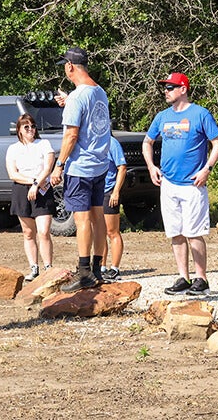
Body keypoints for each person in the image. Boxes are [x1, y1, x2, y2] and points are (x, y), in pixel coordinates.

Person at [142, 72, 218, 296]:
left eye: (170, 87)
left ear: (183, 89)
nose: (166, 92)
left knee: (194, 232)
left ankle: (201, 279)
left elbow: (217, 143)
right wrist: (151, 166)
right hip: (168, 182)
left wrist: (207, 169)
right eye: (165, 88)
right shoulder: (162, 116)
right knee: (175, 232)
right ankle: (183, 277)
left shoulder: (200, 114)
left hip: (192, 183)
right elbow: (147, 142)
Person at [50, 47, 111, 292]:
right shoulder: (100, 92)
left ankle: (84, 271)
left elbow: (71, 134)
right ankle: (98, 268)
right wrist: (69, 102)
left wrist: (59, 164)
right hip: (100, 163)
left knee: (82, 219)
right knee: (98, 217)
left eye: (65, 65)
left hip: (81, 166)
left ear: (70, 67)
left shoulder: (78, 97)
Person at [6, 113, 55, 281]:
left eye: (33, 126)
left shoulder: (44, 144)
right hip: (22, 189)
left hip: (42, 189)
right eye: (26, 127)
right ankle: (34, 267)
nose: (30, 130)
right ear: (19, 130)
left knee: (43, 231)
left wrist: (36, 184)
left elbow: (48, 167)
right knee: (28, 232)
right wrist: (32, 181)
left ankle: (49, 266)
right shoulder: (13, 148)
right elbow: (13, 174)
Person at [101, 135, 127, 280]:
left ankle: (115, 268)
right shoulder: (92, 141)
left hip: (109, 191)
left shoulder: (112, 143)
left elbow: (122, 167)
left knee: (112, 231)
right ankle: (101, 266)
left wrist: (116, 191)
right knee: (99, 232)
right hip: (96, 191)